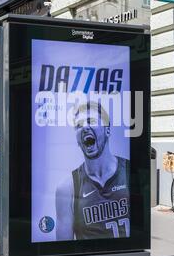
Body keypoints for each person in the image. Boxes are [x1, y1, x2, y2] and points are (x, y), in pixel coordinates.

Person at [55, 101, 130, 240]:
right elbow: (63, 249)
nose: (84, 128)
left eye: (92, 121)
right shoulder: (67, 188)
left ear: (107, 130)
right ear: (77, 141)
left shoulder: (130, 172)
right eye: (79, 125)